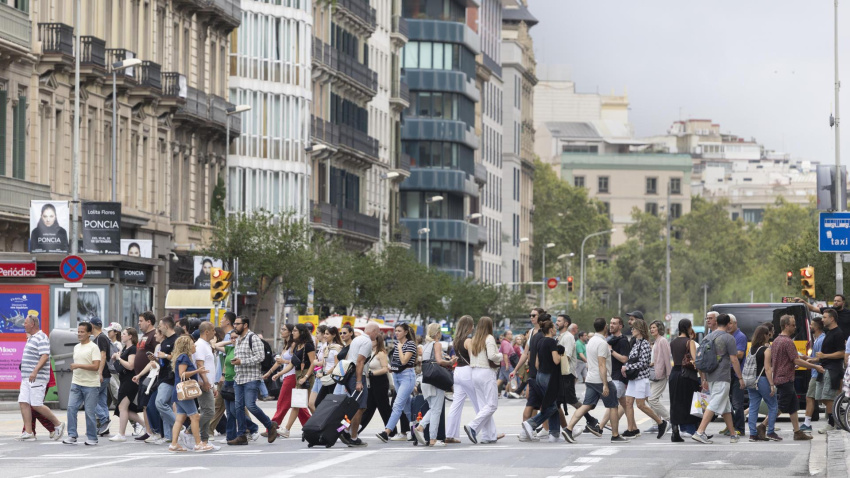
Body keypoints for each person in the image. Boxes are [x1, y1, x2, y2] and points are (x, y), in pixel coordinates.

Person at [562, 317, 626, 443]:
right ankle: (615, 435)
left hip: (591, 378)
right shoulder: (602, 343)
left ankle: (568, 429)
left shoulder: (591, 341)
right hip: (600, 379)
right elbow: (602, 365)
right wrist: (605, 384)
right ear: (605, 327)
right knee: (613, 406)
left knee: (586, 405)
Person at [692, 314, 745, 444]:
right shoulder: (729, 338)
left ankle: (733, 435)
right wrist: (740, 377)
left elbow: (701, 358)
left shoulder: (708, 337)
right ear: (728, 324)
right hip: (723, 376)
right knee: (715, 403)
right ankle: (700, 432)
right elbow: (734, 359)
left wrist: (703, 378)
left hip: (710, 375)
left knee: (726, 406)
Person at [771, 314, 823, 441]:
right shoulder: (788, 342)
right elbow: (797, 361)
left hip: (781, 377)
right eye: (793, 325)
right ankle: (763, 426)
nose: (795, 327)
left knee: (794, 406)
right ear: (786, 325)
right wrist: (815, 367)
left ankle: (797, 432)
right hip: (785, 379)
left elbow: (786, 360)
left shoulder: (777, 340)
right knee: (782, 406)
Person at [231, 316, 279, 443]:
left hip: (251, 377)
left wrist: (242, 362)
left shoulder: (253, 338)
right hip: (239, 378)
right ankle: (241, 435)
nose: (234, 326)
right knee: (238, 407)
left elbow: (260, 357)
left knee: (250, 405)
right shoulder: (239, 339)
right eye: (234, 324)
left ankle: (270, 425)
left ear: (245, 325)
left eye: (237, 324)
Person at [18, 313, 64, 441]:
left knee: (36, 405)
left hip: (36, 378)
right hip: (26, 378)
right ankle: (28, 432)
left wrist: (35, 371)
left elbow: (44, 356)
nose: (23, 325)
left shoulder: (42, 337)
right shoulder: (32, 337)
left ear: (32, 324)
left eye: (25, 323)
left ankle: (58, 424)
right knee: (23, 402)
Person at [621, 318, 668, 439]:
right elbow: (632, 360)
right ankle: (632, 429)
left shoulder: (645, 344)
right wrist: (626, 367)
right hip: (633, 379)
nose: (632, 330)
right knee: (628, 403)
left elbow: (644, 363)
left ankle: (660, 422)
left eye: (634, 328)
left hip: (641, 378)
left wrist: (627, 367)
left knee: (641, 405)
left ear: (639, 329)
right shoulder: (636, 343)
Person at [555, 314, 601, 435]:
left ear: (566, 324)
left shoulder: (568, 337)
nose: (556, 322)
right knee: (556, 402)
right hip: (561, 374)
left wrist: (553, 358)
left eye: (559, 321)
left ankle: (590, 420)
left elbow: (567, 355)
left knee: (572, 400)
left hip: (567, 373)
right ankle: (556, 428)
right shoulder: (560, 336)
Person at [521, 319, 564, 443]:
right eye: (554, 328)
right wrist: (561, 354)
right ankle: (531, 423)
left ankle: (554, 435)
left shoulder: (540, 341)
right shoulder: (551, 342)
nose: (556, 330)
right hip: (550, 377)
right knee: (554, 405)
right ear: (550, 330)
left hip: (540, 375)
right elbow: (556, 361)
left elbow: (536, 363)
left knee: (552, 403)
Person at [339, 322, 381, 447]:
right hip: (357, 376)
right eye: (377, 332)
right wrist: (358, 381)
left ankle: (344, 430)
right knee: (360, 407)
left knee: (356, 406)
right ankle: (353, 436)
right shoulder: (367, 342)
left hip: (350, 374)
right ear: (372, 331)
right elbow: (360, 361)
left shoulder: (357, 339)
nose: (378, 335)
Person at [169, 336, 213, 452]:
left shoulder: (182, 357)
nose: (195, 346)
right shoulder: (184, 357)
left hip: (179, 392)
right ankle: (198, 444)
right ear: (187, 346)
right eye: (193, 344)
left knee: (180, 418)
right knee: (195, 416)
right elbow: (182, 374)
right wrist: (198, 371)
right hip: (184, 393)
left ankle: (174, 444)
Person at [268, 324, 313, 438]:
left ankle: (318, 425)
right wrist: (278, 374)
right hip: (298, 377)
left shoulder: (308, 346)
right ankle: (289, 429)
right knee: (298, 404)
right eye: (292, 331)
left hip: (306, 377)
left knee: (310, 405)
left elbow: (313, 362)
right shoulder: (297, 346)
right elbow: (292, 363)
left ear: (302, 332)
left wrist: (306, 377)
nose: (293, 333)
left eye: (295, 331)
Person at [377, 323, 419, 444]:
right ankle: (415, 429)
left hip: (407, 377)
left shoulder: (410, 344)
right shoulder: (397, 344)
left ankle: (386, 432)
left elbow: (404, 360)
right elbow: (397, 361)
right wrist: (392, 368)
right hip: (396, 375)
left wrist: (400, 348)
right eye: (396, 331)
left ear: (406, 332)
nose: (396, 333)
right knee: (406, 407)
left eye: (399, 331)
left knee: (397, 404)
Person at [415, 323, 456, 446]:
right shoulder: (436, 344)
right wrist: (450, 362)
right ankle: (433, 439)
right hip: (435, 381)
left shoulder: (426, 345)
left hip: (426, 380)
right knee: (436, 410)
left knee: (433, 409)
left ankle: (420, 427)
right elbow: (439, 361)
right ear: (438, 333)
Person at [464, 316, 502, 444]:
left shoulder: (474, 339)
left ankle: (488, 436)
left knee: (483, 407)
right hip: (486, 372)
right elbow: (492, 356)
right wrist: (501, 355)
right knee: (492, 405)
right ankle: (473, 426)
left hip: (475, 372)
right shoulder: (489, 338)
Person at [509, 308, 545, 441]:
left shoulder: (544, 331)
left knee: (541, 402)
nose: (531, 317)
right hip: (533, 371)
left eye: (534, 315)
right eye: (530, 315)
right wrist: (515, 369)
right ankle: (531, 429)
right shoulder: (530, 332)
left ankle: (542, 429)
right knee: (533, 399)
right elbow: (525, 353)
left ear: (540, 316)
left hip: (542, 371)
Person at [63, 322, 102, 445]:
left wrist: (78, 365)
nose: (79, 334)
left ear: (89, 333)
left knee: (89, 412)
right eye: (78, 331)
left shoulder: (93, 347)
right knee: (71, 408)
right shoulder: (76, 347)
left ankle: (92, 438)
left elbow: (96, 366)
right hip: (76, 382)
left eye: (82, 332)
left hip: (90, 385)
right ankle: (72, 435)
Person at [109, 328, 145, 442]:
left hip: (130, 381)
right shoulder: (125, 348)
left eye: (124, 334)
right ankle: (145, 425)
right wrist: (117, 357)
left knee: (122, 407)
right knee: (124, 408)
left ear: (130, 336)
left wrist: (119, 358)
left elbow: (130, 366)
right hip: (124, 380)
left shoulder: (133, 349)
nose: (122, 336)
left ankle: (121, 434)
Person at [668, 319, 701, 441]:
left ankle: (675, 431)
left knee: (675, 403)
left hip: (674, 374)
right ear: (688, 327)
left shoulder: (673, 342)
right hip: (687, 375)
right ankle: (696, 430)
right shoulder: (690, 342)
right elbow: (694, 360)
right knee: (691, 403)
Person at [815, 308, 846, 433]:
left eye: (824, 317)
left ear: (832, 318)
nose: (822, 320)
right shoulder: (829, 332)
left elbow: (842, 353)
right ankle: (842, 412)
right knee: (821, 397)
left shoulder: (838, 333)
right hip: (824, 368)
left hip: (833, 369)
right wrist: (813, 360)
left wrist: (824, 356)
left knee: (828, 397)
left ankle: (832, 423)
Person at [446, 316, 476, 443]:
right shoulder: (468, 341)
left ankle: (450, 434)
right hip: (467, 372)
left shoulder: (456, 340)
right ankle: (488, 433)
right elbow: (472, 358)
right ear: (469, 326)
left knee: (456, 404)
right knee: (479, 402)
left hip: (457, 372)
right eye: (472, 325)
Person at [598, 316, 631, 433]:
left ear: (620, 326)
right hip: (613, 376)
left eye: (614, 323)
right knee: (625, 404)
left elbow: (625, 359)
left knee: (612, 401)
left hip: (619, 377)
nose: (611, 325)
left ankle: (600, 427)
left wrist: (611, 351)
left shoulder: (623, 341)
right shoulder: (611, 340)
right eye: (610, 323)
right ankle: (634, 428)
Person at [746, 325, 778, 442]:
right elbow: (767, 369)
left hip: (750, 380)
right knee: (773, 405)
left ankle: (752, 434)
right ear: (764, 335)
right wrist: (771, 385)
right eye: (768, 334)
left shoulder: (751, 348)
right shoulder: (766, 350)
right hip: (762, 379)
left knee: (753, 406)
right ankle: (770, 432)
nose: (769, 336)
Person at [359, 332, 392, 433]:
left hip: (380, 382)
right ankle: (356, 429)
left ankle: (391, 430)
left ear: (378, 341)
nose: (370, 342)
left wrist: (371, 373)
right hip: (371, 383)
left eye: (372, 340)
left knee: (384, 408)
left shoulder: (381, 353)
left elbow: (385, 369)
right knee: (368, 408)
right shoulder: (370, 353)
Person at [721, 314, 747, 437]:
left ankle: (740, 428)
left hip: (737, 374)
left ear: (736, 323)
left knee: (737, 403)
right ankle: (730, 426)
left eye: (731, 323)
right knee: (728, 402)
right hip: (727, 373)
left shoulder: (740, 336)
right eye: (728, 323)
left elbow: (740, 354)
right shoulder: (726, 336)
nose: (729, 325)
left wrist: (727, 353)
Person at [154, 317, 179, 445]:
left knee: (160, 403)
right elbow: (164, 360)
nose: (159, 328)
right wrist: (157, 358)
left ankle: (179, 426)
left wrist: (166, 356)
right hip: (163, 375)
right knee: (166, 406)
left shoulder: (176, 340)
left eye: (160, 325)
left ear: (166, 326)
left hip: (170, 377)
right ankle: (169, 435)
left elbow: (179, 357)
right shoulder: (165, 341)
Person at [88, 317, 112, 437]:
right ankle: (105, 427)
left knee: (89, 399)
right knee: (102, 401)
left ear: (92, 326)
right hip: (105, 374)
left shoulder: (101, 338)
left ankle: (103, 420)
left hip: (101, 374)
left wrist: (100, 373)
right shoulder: (101, 338)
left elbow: (102, 356)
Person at [646, 320, 671, 434]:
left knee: (652, 399)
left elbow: (666, 358)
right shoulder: (656, 341)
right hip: (653, 373)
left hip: (660, 374)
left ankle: (670, 419)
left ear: (659, 328)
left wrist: (669, 374)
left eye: (654, 327)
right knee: (651, 399)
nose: (652, 330)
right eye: (651, 328)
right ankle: (656, 423)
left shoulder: (662, 341)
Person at [193, 322, 217, 447]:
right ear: (206, 331)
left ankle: (204, 440)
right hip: (203, 383)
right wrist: (206, 382)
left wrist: (213, 385)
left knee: (205, 410)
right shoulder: (200, 345)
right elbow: (200, 365)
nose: (215, 332)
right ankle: (189, 431)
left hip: (208, 383)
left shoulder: (206, 345)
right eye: (213, 330)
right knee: (209, 412)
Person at [802, 316, 825, 433]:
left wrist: (810, 360)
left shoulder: (821, 340)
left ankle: (807, 423)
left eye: (811, 325)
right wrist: (805, 357)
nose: (810, 326)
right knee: (819, 398)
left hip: (817, 373)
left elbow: (820, 358)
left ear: (816, 327)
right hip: (815, 372)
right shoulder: (817, 339)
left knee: (810, 397)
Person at [314, 326, 344, 408]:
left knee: (330, 404)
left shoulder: (336, 348)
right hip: (326, 378)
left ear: (334, 335)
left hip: (332, 378)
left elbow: (336, 365)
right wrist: (321, 371)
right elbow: (324, 363)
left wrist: (325, 373)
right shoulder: (327, 347)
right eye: (325, 334)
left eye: (327, 334)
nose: (325, 336)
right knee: (319, 403)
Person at [497, 330, 515, 398]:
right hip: (507, 364)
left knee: (500, 379)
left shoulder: (505, 342)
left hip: (504, 364)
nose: (512, 335)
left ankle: (489, 391)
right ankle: (511, 393)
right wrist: (507, 365)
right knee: (512, 378)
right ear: (507, 335)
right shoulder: (506, 343)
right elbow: (505, 354)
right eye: (510, 334)